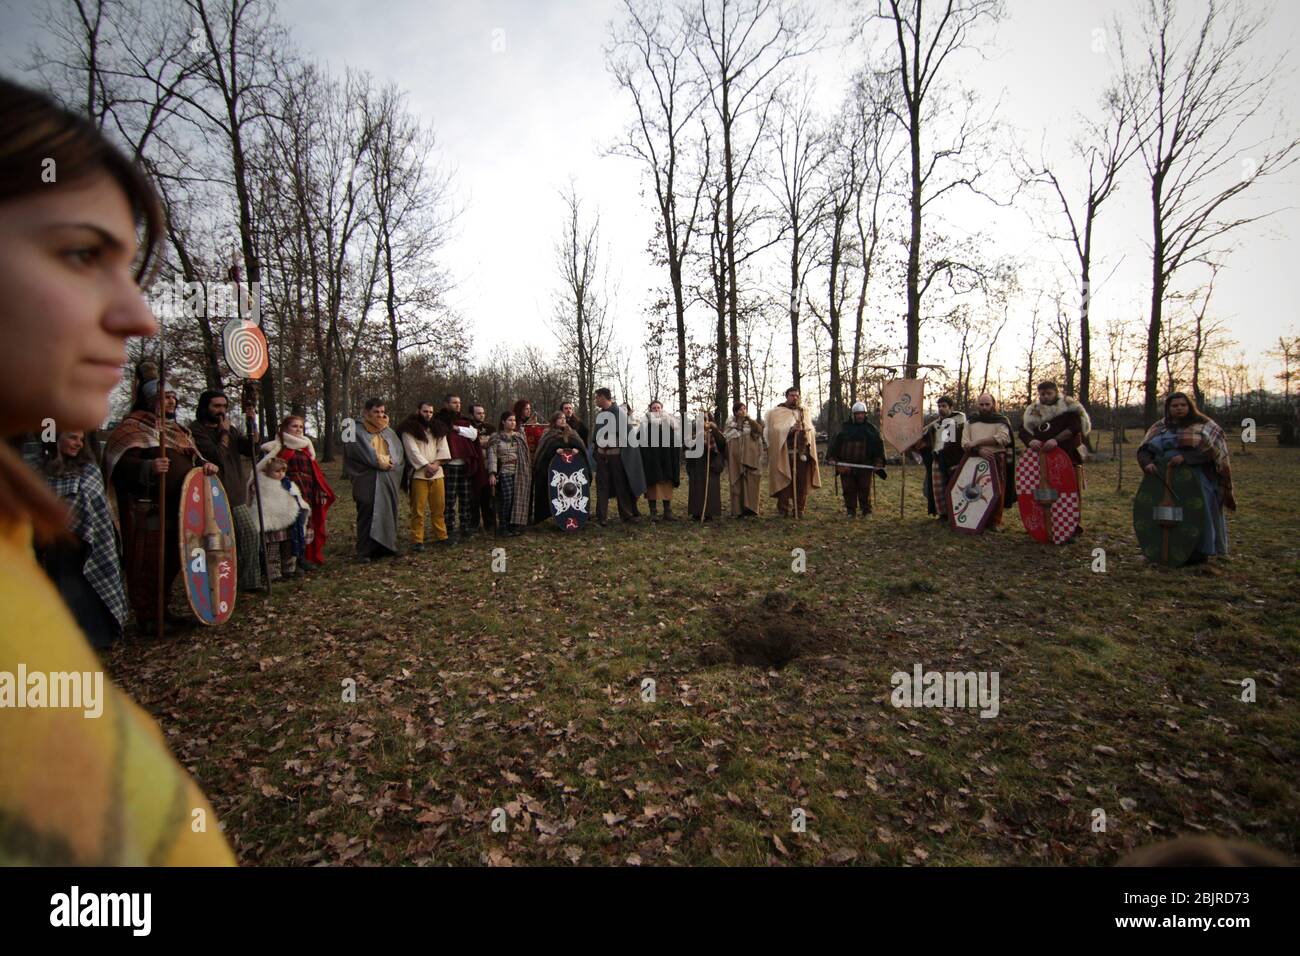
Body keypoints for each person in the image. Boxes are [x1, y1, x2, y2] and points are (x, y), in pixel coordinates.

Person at [0, 75, 234, 864]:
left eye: (128, 267)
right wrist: (148, 467)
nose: (138, 315)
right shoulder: (131, 428)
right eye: (79, 253)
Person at [104, 375, 218, 631]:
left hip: (179, 509)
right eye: (165, 396)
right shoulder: (131, 429)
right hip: (146, 510)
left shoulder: (177, 431)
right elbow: (118, 467)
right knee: (148, 563)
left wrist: (204, 466)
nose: (172, 401)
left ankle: (163, 610)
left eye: (173, 397)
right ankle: (148, 617)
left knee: (171, 561)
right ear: (150, 400)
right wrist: (147, 467)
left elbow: (193, 459)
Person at [37, 430, 128, 649]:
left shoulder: (89, 470)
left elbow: (94, 506)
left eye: (81, 439)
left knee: (87, 589)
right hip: (54, 544)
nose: (78, 443)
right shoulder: (40, 472)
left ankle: (97, 636)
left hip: (88, 542)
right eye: (72, 437)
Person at [1136, 392, 1235, 562]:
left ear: (1189, 406)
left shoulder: (1204, 425)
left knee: (1196, 510)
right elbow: (1145, 450)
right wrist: (1147, 464)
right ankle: (1164, 547)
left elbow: (1212, 453)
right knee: (1164, 510)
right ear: (1168, 408)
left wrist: (1186, 458)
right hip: (1164, 477)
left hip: (1195, 477)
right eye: (1175, 406)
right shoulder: (1160, 427)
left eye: (1183, 405)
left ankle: (1199, 551)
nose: (1179, 408)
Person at [191, 388, 262, 591]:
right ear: (205, 407)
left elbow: (250, 450)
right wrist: (223, 433)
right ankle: (219, 585)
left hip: (234, 492)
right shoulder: (196, 430)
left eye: (224, 406)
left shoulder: (229, 429)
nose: (221, 410)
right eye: (216, 406)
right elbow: (216, 457)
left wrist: (252, 425)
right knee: (217, 544)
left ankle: (249, 582)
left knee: (249, 534)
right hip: (210, 494)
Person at [257, 414, 334, 567]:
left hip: (307, 491)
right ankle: (285, 563)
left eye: (301, 427)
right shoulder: (276, 447)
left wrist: (320, 491)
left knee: (305, 524)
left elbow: (314, 472)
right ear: (285, 428)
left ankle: (303, 557)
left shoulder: (306, 447)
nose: (298, 429)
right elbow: (265, 469)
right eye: (294, 426)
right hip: (286, 492)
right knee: (288, 527)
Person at [1019, 381, 1091, 539]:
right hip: (1041, 458)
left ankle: (1071, 527)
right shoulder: (1033, 411)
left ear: (1056, 392)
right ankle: (1041, 524)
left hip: (1066, 457)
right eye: (1042, 394)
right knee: (1042, 492)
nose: (1045, 397)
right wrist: (1030, 441)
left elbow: (1074, 427)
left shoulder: (1069, 407)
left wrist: (1056, 440)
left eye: (1048, 393)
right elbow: (1023, 431)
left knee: (1067, 492)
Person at [342, 397, 403, 563]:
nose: (380, 415)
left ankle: (386, 546)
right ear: (366, 412)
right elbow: (356, 451)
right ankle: (365, 551)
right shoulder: (351, 428)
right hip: (367, 477)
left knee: (389, 511)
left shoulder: (388, 430)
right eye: (376, 412)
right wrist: (380, 462)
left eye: (382, 412)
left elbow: (398, 451)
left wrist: (392, 462)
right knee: (368, 512)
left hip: (388, 477)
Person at [395, 402, 449, 551]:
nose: (428, 414)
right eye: (425, 411)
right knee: (417, 510)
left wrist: (436, 465)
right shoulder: (409, 429)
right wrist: (426, 466)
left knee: (439, 508)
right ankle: (417, 540)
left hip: (437, 474)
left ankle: (441, 536)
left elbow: (443, 448)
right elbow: (412, 451)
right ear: (418, 411)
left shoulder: (438, 429)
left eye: (431, 412)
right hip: (419, 474)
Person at [433, 394, 486, 544]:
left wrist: (456, 428)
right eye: (454, 402)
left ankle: (465, 527)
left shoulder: (464, 421)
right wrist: (454, 429)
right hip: (448, 465)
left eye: (459, 402)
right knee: (449, 500)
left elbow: (473, 434)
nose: (458, 405)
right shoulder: (439, 420)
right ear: (446, 403)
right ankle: (449, 528)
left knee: (465, 498)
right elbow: (441, 434)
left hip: (464, 464)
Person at [960, 392, 1016, 528]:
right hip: (974, 459)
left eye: (987, 404)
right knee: (977, 490)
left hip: (996, 458)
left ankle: (995, 521)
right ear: (977, 405)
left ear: (993, 404)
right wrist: (979, 450)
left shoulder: (1001, 420)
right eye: (981, 404)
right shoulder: (970, 422)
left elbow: (1003, 438)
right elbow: (965, 443)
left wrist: (978, 441)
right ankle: (978, 519)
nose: (984, 407)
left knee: (997, 489)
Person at [591, 387, 645, 526]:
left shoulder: (619, 413)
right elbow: (595, 437)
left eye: (597, 397)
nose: (595, 400)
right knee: (602, 485)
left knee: (621, 485)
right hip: (602, 457)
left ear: (603, 397)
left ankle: (626, 515)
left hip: (617, 457)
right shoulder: (601, 414)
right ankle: (601, 516)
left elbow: (627, 437)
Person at [250, 456, 310, 581]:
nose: (280, 474)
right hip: (271, 523)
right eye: (277, 471)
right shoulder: (262, 484)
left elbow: (296, 499)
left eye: (283, 471)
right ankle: (273, 573)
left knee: (288, 547)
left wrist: (301, 509)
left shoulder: (288, 484)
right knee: (273, 550)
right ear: (268, 471)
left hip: (288, 523)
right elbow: (260, 503)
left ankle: (288, 569)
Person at [766, 387, 820, 517]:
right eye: (792, 395)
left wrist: (804, 430)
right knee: (784, 480)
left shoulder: (804, 412)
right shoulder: (777, 413)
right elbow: (774, 432)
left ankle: (799, 509)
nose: (794, 398)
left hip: (801, 454)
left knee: (801, 482)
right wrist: (790, 430)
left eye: (797, 395)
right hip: (785, 455)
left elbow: (811, 430)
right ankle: (783, 509)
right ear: (787, 397)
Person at [531, 411, 591, 525]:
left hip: (571, 472)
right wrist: (554, 451)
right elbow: (543, 453)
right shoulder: (548, 434)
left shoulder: (573, 433)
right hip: (552, 471)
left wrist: (577, 450)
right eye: (560, 418)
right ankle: (548, 515)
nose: (563, 420)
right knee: (549, 490)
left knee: (574, 493)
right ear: (554, 421)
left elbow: (581, 447)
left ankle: (576, 514)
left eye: (564, 418)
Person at [828, 401, 887, 517]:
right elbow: (835, 444)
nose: (860, 416)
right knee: (849, 489)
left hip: (865, 465)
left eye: (862, 413)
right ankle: (851, 511)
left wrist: (878, 461)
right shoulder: (844, 428)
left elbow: (878, 447)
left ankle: (866, 511)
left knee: (864, 489)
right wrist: (832, 457)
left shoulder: (871, 429)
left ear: (865, 414)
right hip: (846, 465)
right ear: (853, 415)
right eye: (857, 414)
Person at [918, 396, 966, 522]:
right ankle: (943, 514)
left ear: (951, 407)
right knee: (938, 488)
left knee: (954, 488)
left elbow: (949, 442)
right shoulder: (936, 424)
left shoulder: (958, 422)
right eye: (939, 406)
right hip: (937, 458)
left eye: (944, 406)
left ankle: (955, 514)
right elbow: (928, 442)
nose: (941, 409)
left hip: (953, 460)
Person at [487, 410, 533, 536]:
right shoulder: (496, 437)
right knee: (506, 499)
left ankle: (514, 525)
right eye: (510, 420)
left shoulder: (519, 437)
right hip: (504, 472)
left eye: (514, 420)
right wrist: (492, 473)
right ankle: (503, 526)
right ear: (503, 422)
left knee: (517, 499)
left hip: (519, 472)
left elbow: (525, 455)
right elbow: (492, 455)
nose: (512, 423)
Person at [639, 400, 681, 521]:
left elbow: (675, 440)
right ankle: (653, 513)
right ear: (650, 410)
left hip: (667, 460)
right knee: (652, 485)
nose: (656, 410)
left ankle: (667, 512)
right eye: (654, 408)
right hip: (652, 461)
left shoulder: (669, 423)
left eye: (658, 408)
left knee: (667, 484)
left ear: (662, 409)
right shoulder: (645, 424)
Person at [723, 401, 763, 517]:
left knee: (751, 482)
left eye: (744, 408)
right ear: (735, 412)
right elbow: (727, 440)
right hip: (735, 459)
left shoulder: (752, 424)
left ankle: (751, 509)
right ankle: (737, 510)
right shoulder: (730, 425)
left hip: (750, 458)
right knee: (737, 483)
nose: (743, 411)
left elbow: (758, 437)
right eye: (740, 409)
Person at [686, 413, 727, 520]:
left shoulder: (715, 432)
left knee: (711, 488)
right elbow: (686, 445)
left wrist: (713, 430)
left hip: (711, 462)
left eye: (706, 418)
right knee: (697, 487)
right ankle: (696, 512)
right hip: (697, 463)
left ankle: (709, 513)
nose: (704, 421)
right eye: (702, 419)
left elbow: (722, 444)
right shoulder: (693, 432)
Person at [470, 403, 496, 534]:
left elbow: (494, 443)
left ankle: (489, 524)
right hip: (474, 468)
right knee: (473, 498)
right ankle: (473, 524)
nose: (481, 415)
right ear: (472, 414)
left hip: (487, 466)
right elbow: (469, 445)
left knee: (488, 498)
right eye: (478, 413)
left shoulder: (490, 428)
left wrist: (481, 444)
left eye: (483, 413)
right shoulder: (468, 427)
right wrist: (479, 444)